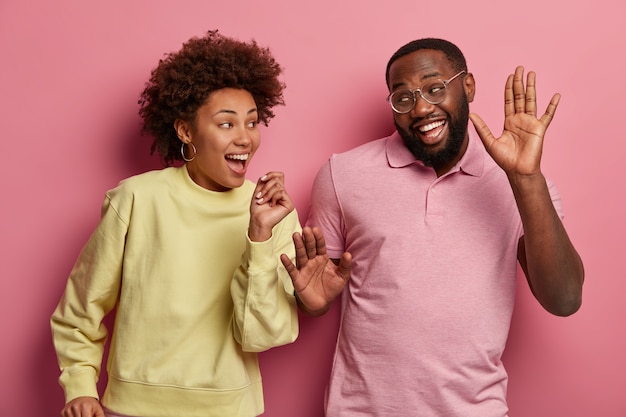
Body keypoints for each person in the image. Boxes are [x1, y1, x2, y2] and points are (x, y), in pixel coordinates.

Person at [281, 38, 585, 416]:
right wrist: (312, 304)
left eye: (434, 88)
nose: (421, 108)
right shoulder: (343, 175)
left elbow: (565, 299)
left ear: (468, 86)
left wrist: (526, 179)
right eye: (403, 97)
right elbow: (316, 292)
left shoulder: (519, 184)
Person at [50, 30, 300, 417]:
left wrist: (258, 237)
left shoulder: (272, 212)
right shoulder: (136, 199)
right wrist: (80, 386)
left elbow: (262, 335)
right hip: (133, 408)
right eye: (226, 124)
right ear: (186, 131)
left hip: (231, 408)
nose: (246, 139)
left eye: (252, 123)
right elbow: (82, 306)